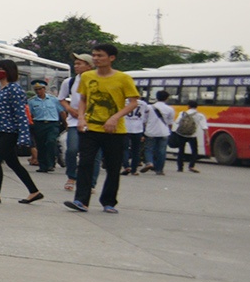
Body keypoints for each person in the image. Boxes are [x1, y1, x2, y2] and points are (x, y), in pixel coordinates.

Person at [66, 42, 140, 214]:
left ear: (111, 58)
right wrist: (82, 118)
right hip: (91, 129)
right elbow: (83, 99)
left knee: (113, 167)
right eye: (94, 55)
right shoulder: (87, 77)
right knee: (85, 164)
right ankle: (81, 201)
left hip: (114, 131)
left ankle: (109, 202)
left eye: (100, 55)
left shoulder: (123, 78)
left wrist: (115, 117)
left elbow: (133, 102)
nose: (96, 58)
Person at [0, 58, 41, 204]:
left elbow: (21, 114)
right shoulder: (0, 90)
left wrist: (24, 136)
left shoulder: (14, 89)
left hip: (10, 132)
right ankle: (34, 191)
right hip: (0, 130)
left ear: (7, 71)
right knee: (13, 163)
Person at [57, 55, 89, 191]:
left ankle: (90, 183)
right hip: (74, 121)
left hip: (93, 122)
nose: (76, 66)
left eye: (79, 64)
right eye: (75, 64)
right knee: (72, 149)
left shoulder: (97, 81)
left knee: (92, 155)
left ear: (89, 66)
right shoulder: (69, 82)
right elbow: (61, 99)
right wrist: (70, 109)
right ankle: (71, 176)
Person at [27, 79, 63, 172]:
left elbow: (61, 111)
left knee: (51, 142)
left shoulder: (53, 100)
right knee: (41, 145)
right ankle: (43, 166)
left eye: (40, 89)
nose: (38, 91)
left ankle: (51, 163)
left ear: (44, 89)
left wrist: (66, 123)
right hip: (39, 124)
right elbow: (29, 114)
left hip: (52, 124)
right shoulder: (32, 101)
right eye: (36, 90)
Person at [140, 91, 175, 175]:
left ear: (156, 97)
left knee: (149, 149)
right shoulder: (170, 109)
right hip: (164, 132)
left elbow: (144, 120)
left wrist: (144, 131)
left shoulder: (149, 107)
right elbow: (170, 123)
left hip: (151, 131)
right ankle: (159, 170)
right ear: (167, 98)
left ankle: (149, 162)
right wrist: (169, 131)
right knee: (162, 151)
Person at [172, 101, 207, 172]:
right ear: (197, 107)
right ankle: (191, 166)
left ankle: (180, 168)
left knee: (181, 150)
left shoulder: (182, 113)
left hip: (181, 134)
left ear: (188, 106)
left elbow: (177, 122)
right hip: (192, 135)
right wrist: (207, 137)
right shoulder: (200, 115)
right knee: (194, 151)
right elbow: (204, 127)